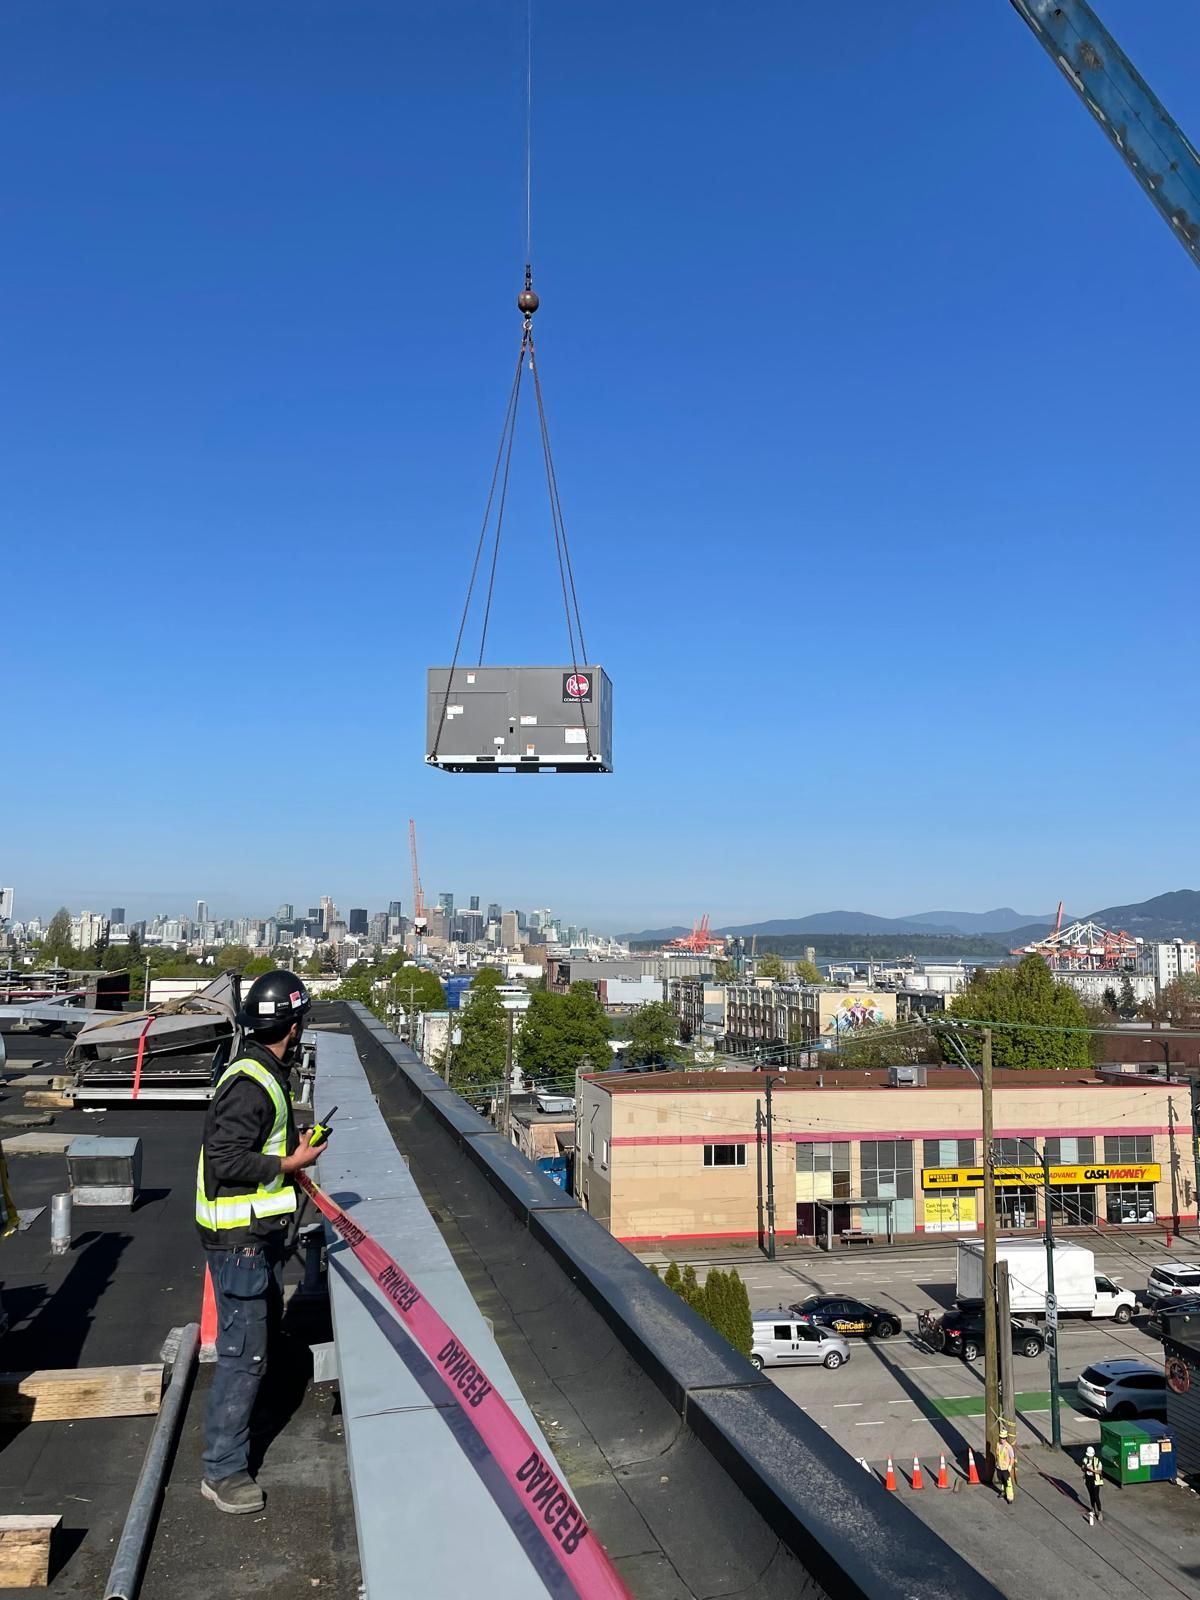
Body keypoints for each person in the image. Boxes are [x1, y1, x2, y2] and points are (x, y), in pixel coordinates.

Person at [195, 970, 325, 1514]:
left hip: (252, 1237)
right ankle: (223, 1471)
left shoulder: (261, 1070)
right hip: (239, 1241)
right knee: (243, 1354)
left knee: (261, 1335)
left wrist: (286, 1147)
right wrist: (290, 1162)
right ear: (293, 1027)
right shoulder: (253, 1082)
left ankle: (247, 1428)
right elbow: (226, 1160)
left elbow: (248, 1141)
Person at [994, 1423, 1016, 1505]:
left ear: (1006, 1438)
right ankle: (1003, 1492)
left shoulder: (1009, 1447)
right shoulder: (998, 1445)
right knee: (1002, 1481)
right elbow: (997, 1455)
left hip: (1006, 1468)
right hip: (999, 1467)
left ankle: (1010, 1497)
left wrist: (1010, 1466)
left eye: (1003, 1438)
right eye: (1001, 1438)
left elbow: (1012, 1458)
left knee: (1008, 1483)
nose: (1001, 1439)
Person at [1082, 1445, 1103, 1524]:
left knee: (1096, 1496)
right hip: (1088, 1479)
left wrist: (1092, 1470)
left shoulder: (1097, 1461)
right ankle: (1093, 1509)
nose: (1089, 1457)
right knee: (1091, 1494)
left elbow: (1100, 1472)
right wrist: (1085, 1468)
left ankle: (1100, 1512)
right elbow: (1082, 1468)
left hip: (1095, 1480)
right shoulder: (1085, 1460)